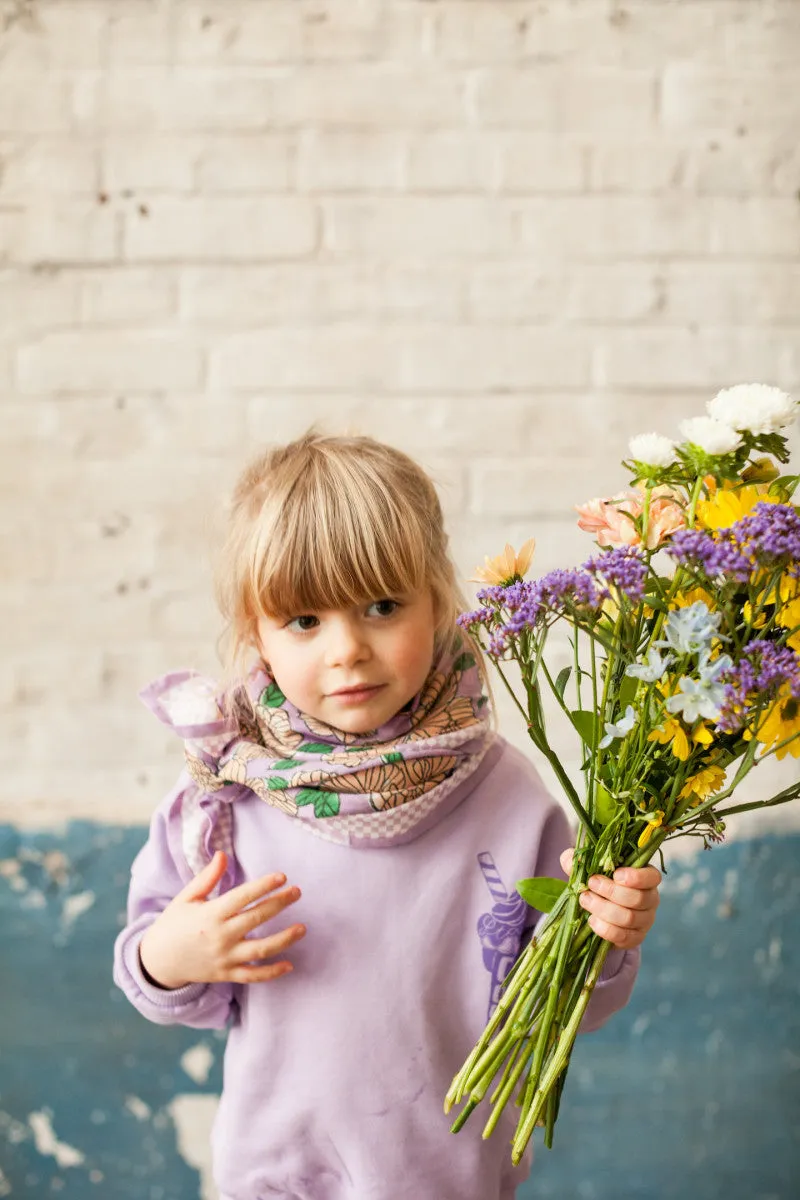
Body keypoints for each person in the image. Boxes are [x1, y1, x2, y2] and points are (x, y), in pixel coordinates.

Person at [113, 433, 662, 1200]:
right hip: (274, 1178)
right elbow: (149, 970)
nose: (347, 650)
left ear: (438, 600)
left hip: (451, 1180)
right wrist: (170, 955)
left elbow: (572, 1006)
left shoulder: (508, 795)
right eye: (303, 619)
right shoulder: (226, 792)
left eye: (381, 606)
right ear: (255, 632)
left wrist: (606, 935)